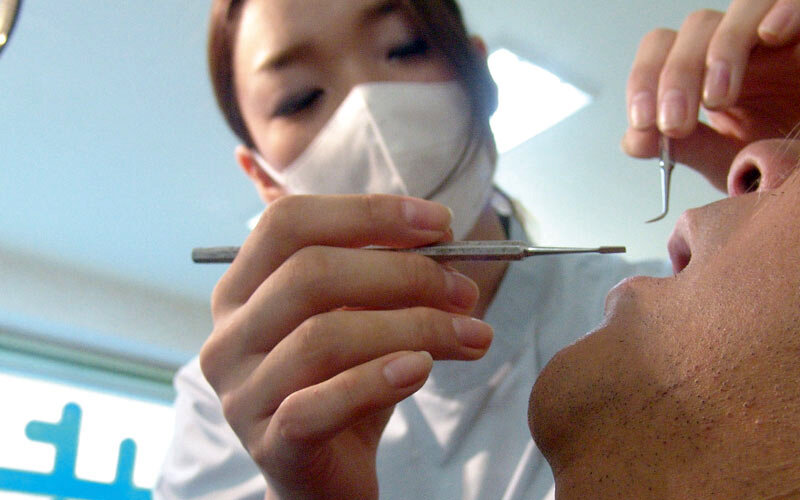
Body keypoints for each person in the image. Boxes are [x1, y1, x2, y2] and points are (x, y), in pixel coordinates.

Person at [154, 1, 800, 499]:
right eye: (301, 98)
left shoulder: (660, 312)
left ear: (483, 80)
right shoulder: (232, 404)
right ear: (264, 177)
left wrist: (782, 201)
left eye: (405, 49)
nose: (369, 108)